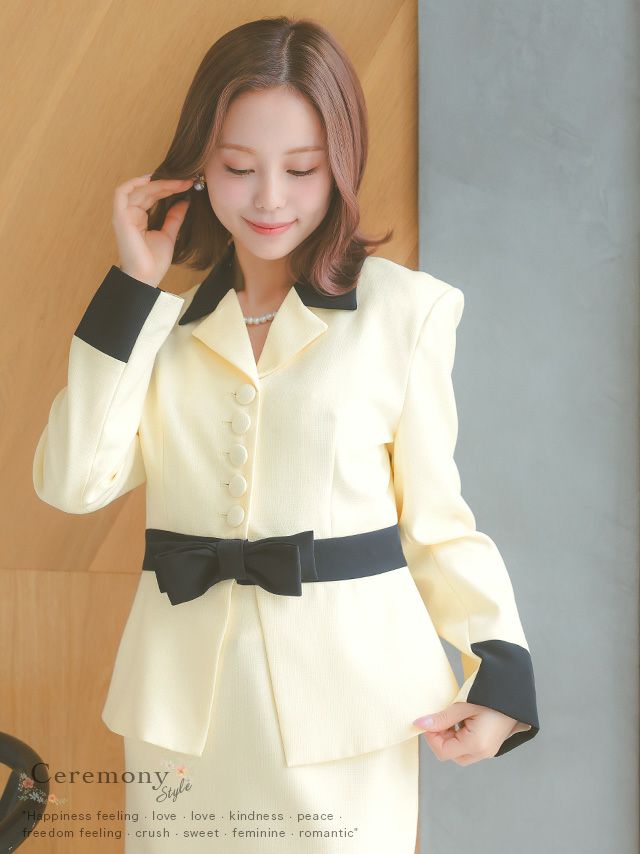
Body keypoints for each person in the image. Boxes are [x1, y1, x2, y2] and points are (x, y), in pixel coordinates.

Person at [32, 15, 539, 854]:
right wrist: (132, 289)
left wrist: (502, 670)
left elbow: (437, 520)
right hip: (178, 721)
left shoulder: (405, 311)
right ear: (200, 168)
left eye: (301, 169)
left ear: (341, 164)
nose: (270, 198)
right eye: (239, 168)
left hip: (350, 715)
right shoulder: (160, 329)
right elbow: (72, 484)